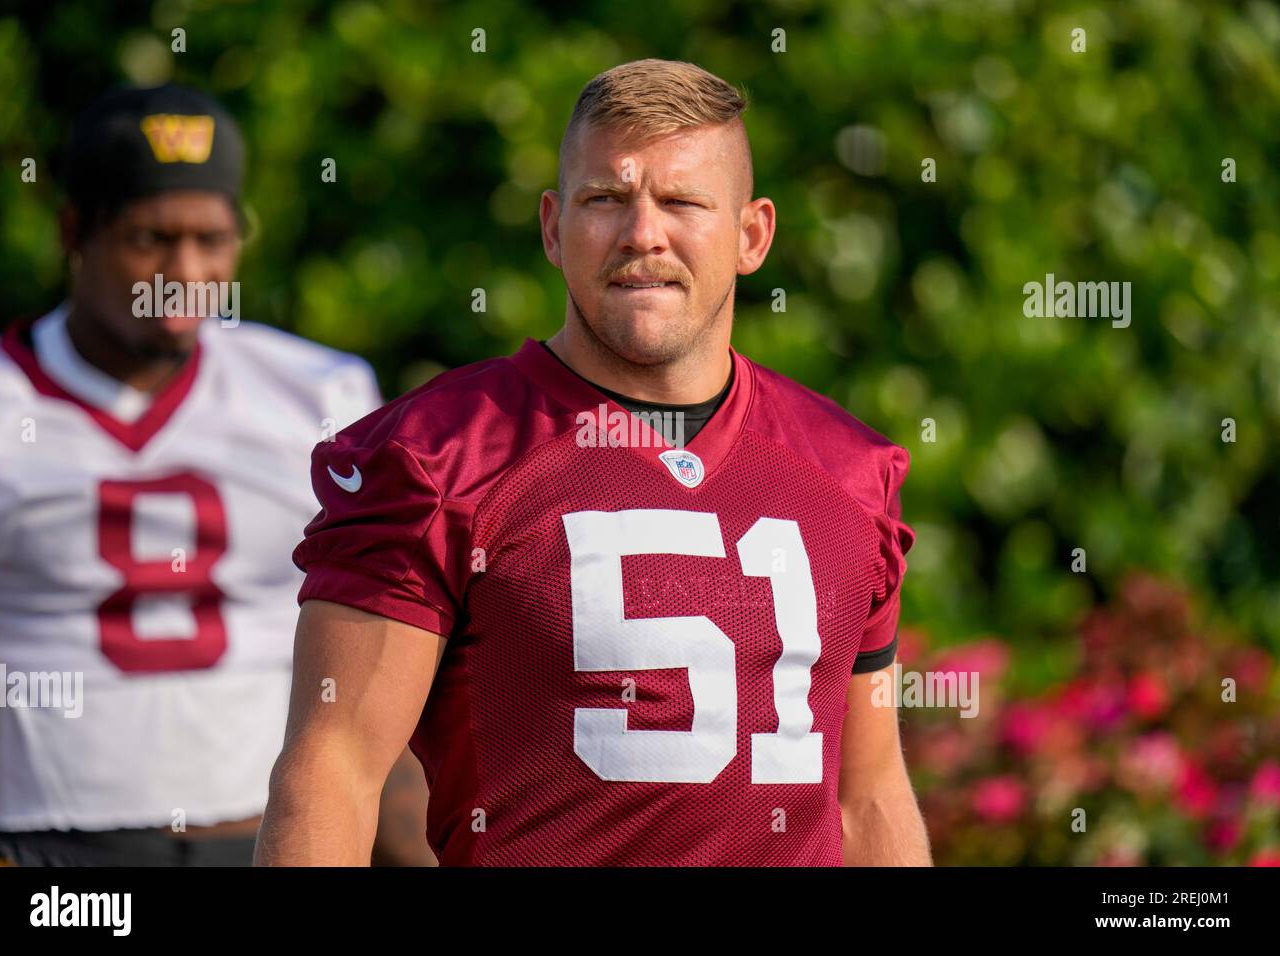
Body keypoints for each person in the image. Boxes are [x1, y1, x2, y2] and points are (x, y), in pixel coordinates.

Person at [256, 60, 931, 866]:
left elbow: (868, 796)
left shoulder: (847, 474)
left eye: (682, 201)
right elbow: (332, 774)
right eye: (606, 199)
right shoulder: (438, 458)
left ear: (752, 235)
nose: (643, 233)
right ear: (551, 227)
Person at [0, 83, 432, 866]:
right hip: (41, 844)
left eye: (211, 241)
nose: (184, 271)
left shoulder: (317, 394)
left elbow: (388, 650)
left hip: (263, 839)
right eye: (149, 239)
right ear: (73, 234)